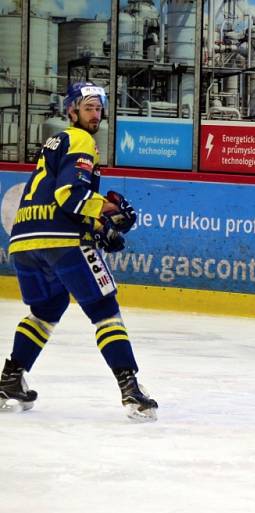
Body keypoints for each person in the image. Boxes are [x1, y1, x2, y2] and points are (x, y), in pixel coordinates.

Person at [0, 81, 158, 422]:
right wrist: (107, 213)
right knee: (104, 309)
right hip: (62, 242)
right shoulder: (81, 140)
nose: (96, 113)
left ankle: (10, 380)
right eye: (88, 107)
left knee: (45, 310)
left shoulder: (54, 142)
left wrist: (98, 230)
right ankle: (131, 390)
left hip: (25, 241)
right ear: (71, 110)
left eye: (99, 107)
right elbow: (69, 196)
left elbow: (58, 201)